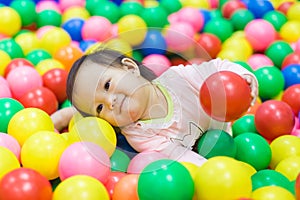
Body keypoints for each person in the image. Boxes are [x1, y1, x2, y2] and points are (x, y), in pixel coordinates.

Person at [51, 48, 258, 166]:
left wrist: (243, 79)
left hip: (225, 130)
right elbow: (182, 159)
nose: (110, 102)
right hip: (215, 153)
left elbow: (218, 68)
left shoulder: (179, 78)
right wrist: (214, 170)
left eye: (107, 85)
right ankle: (70, 114)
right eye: (100, 108)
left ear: (131, 68)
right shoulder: (140, 135)